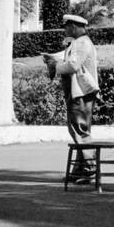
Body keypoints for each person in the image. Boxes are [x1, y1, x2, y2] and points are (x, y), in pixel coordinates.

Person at [44, 14, 100, 182]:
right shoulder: (78, 43)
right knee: (77, 130)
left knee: (80, 130)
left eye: (67, 27)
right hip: (77, 92)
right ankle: (79, 170)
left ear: (74, 27)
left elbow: (73, 65)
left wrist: (55, 66)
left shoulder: (81, 43)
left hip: (80, 92)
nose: (65, 30)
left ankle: (89, 170)